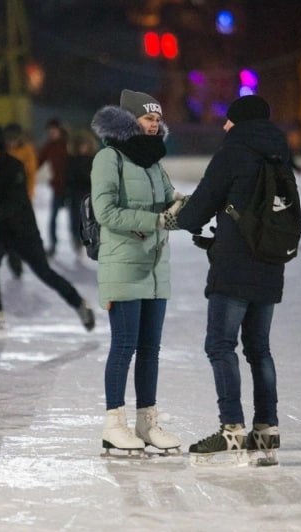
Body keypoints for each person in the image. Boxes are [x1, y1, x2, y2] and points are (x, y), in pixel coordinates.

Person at [172, 94, 291, 464]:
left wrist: (179, 217)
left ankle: (232, 430)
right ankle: (266, 430)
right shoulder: (279, 154)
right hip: (270, 262)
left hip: (235, 267)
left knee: (220, 345)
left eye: (228, 120)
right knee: (259, 348)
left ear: (239, 123)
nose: (224, 126)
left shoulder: (233, 152)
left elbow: (199, 207)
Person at [90, 89, 182, 455]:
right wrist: (156, 218)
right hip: (123, 267)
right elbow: (106, 212)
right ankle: (114, 423)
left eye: (157, 119)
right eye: (147, 118)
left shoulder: (154, 162)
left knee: (150, 350)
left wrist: (186, 205)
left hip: (155, 269)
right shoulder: (108, 159)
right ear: (130, 121)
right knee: (124, 346)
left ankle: (147, 422)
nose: (154, 123)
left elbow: (169, 201)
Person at [0, 124, 95, 336]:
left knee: (44, 273)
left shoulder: (13, 167)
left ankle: (80, 305)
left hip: (23, 230)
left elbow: (15, 203)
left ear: (0, 150)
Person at [4, 122, 40, 278]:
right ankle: (13, 260)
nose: (11, 142)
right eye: (8, 139)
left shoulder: (27, 150)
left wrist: (29, 195)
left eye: (14, 139)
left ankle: (17, 261)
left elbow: (31, 174)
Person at [37, 118, 70, 257]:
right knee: (53, 217)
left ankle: (82, 242)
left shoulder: (68, 144)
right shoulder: (49, 146)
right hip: (58, 187)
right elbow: (37, 162)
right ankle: (53, 245)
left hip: (73, 187)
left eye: (53, 131)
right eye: (49, 132)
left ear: (59, 131)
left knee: (78, 218)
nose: (51, 134)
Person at [65, 129, 98, 256]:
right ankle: (77, 240)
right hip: (75, 194)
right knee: (75, 219)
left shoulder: (94, 159)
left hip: (90, 193)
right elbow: (68, 177)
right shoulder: (72, 159)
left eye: (84, 145)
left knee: (91, 219)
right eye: (80, 145)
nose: (82, 148)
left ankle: (92, 242)